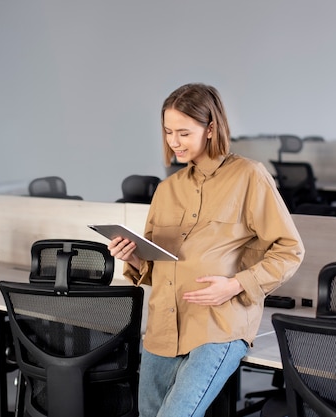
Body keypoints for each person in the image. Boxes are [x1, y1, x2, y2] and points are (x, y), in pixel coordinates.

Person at [108, 83, 304, 417]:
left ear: (210, 128)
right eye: (169, 132)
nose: (174, 141)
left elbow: (289, 250)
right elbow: (158, 265)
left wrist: (236, 284)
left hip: (218, 325)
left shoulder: (248, 176)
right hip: (163, 328)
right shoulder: (167, 190)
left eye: (183, 132)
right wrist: (133, 255)